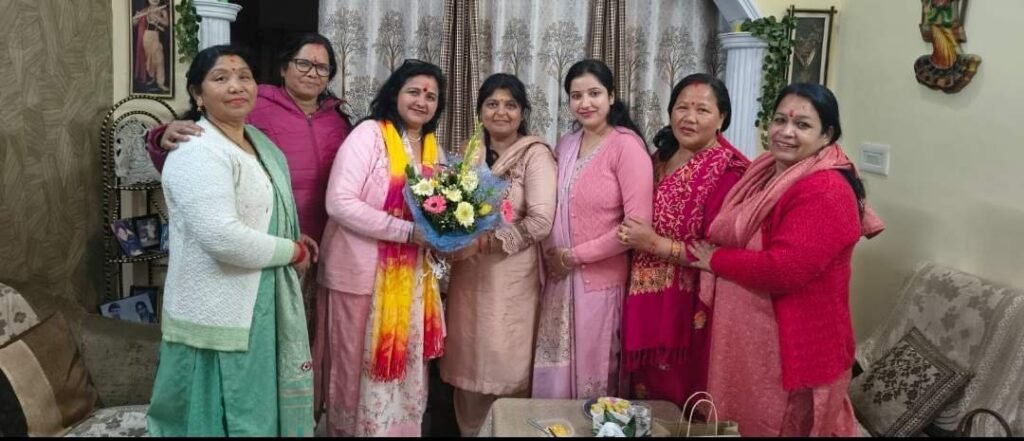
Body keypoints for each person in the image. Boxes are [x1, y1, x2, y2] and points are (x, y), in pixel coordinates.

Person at [145, 33, 352, 380]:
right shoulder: (255, 103)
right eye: (303, 63)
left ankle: (305, 408)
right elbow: (203, 137)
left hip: (320, 244)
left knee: (310, 343)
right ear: (284, 68)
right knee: (260, 352)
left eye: (322, 67)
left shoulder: (338, 119)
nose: (312, 73)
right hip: (262, 249)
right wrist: (160, 136)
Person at [686, 83, 884, 436]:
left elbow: (785, 269)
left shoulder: (826, 190)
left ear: (827, 135)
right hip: (754, 341)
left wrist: (716, 260)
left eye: (802, 125)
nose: (786, 132)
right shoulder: (767, 172)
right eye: (780, 120)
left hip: (791, 347)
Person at [315, 59, 447, 437]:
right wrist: (407, 232)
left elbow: (440, 210)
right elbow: (339, 202)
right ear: (394, 94)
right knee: (354, 366)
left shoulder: (433, 150)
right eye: (413, 91)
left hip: (412, 282)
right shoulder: (369, 135)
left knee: (407, 372)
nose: (422, 101)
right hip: (360, 277)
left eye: (431, 96)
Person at [616, 73, 750, 409]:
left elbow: (716, 253)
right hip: (641, 293)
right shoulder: (660, 157)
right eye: (682, 108)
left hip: (689, 305)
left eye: (702, 110)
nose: (689, 118)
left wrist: (653, 243)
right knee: (642, 396)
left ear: (722, 118)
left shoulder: (729, 172)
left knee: (680, 399)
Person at [439, 73, 557, 436]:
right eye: (492, 104)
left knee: (506, 364)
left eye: (510, 105)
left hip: (511, 281)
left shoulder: (535, 155)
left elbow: (541, 221)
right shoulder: (469, 151)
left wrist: (487, 242)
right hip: (467, 278)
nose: (501, 112)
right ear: (480, 111)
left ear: (522, 112)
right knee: (468, 368)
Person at [532, 59, 654, 400]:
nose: (585, 103)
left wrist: (573, 256)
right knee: (555, 375)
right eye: (576, 96)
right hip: (559, 279)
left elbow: (637, 226)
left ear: (611, 96)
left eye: (594, 94)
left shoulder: (626, 147)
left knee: (594, 377)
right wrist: (555, 257)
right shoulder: (566, 144)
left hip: (599, 283)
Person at [132, 0, 170, 93]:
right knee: (149, 60)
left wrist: (156, 16)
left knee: (160, 59)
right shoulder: (145, 10)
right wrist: (135, 18)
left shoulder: (163, 10)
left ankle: (160, 82)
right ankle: (152, 77)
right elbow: (134, 23)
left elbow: (166, 23)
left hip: (156, 36)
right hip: (146, 36)